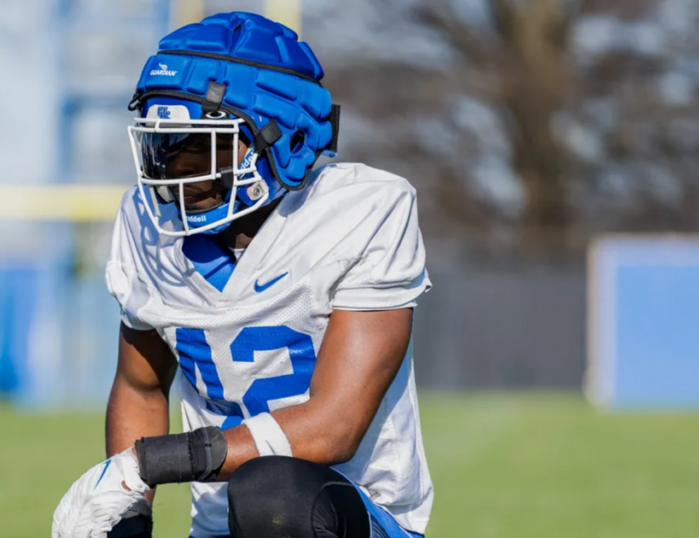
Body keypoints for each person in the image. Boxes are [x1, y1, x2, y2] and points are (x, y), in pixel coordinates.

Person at [53, 12, 432, 538]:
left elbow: (334, 428)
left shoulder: (364, 210)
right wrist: (127, 507)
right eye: (164, 145)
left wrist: (147, 463)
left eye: (198, 143)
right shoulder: (146, 227)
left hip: (349, 515)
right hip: (220, 527)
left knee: (273, 494)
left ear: (281, 138)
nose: (174, 169)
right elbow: (140, 386)